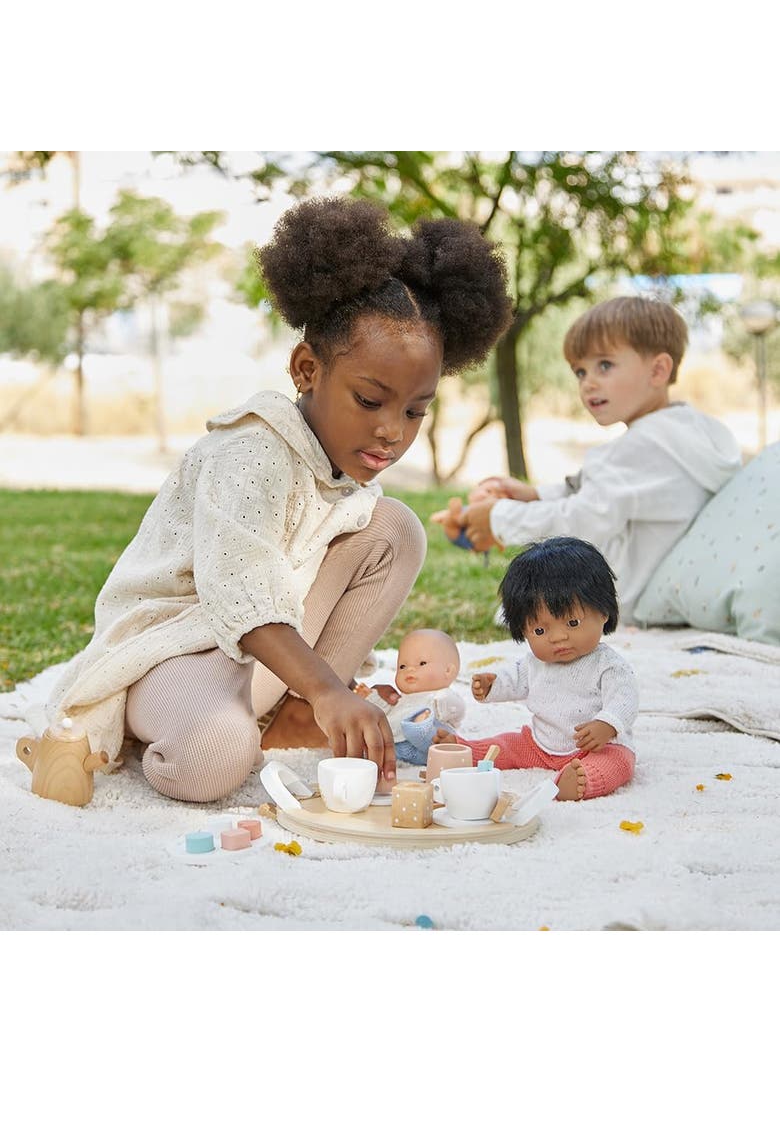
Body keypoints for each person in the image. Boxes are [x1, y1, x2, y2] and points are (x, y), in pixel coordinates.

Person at [47, 198, 512, 803]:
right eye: (370, 401)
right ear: (306, 369)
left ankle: (292, 720)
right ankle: (138, 733)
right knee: (211, 759)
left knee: (395, 527)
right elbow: (241, 593)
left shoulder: (339, 467)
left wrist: (320, 691)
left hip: (262, 655)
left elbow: (300, 588)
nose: (393, 430)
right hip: (177, 649)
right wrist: (328, 689)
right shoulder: (249, 452)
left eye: (415, 410)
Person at [431, 296, 742, 622]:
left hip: (623, 602)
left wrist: (500, 519)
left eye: (604, 365)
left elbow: (582, 522)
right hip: (667, 587)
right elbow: (603, 492)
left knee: (533, 607)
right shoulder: (687, 434)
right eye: (580, 371)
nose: (588, 383)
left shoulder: (642, 446)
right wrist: (535, 495)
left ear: (658, 370)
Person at [439, 536, 639, 801]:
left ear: (603, 612)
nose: (557, 637)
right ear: (523, 629)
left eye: (572, 623)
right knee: (507, 745)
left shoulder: (608, 665)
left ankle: (583, 780)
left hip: (597, 747)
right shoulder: (535, 663)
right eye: (540, 630)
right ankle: (465, 752)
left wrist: (607, 724)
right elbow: (516, 679)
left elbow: (624, 698)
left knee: (619, 763)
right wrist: (493, 686)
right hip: (540, 743)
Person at [354, 628, 465, 764]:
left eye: (422, 663)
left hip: (428, 744)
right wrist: (370, 697)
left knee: (428, 736)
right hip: (397, 745)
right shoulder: (402, 699)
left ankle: (419, 728)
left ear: (448, 671)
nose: (410, 669)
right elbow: (387, 710)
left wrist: (439, 705)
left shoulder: (442, 695)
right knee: (374, 737)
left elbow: (457, 709)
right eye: (402, 666)